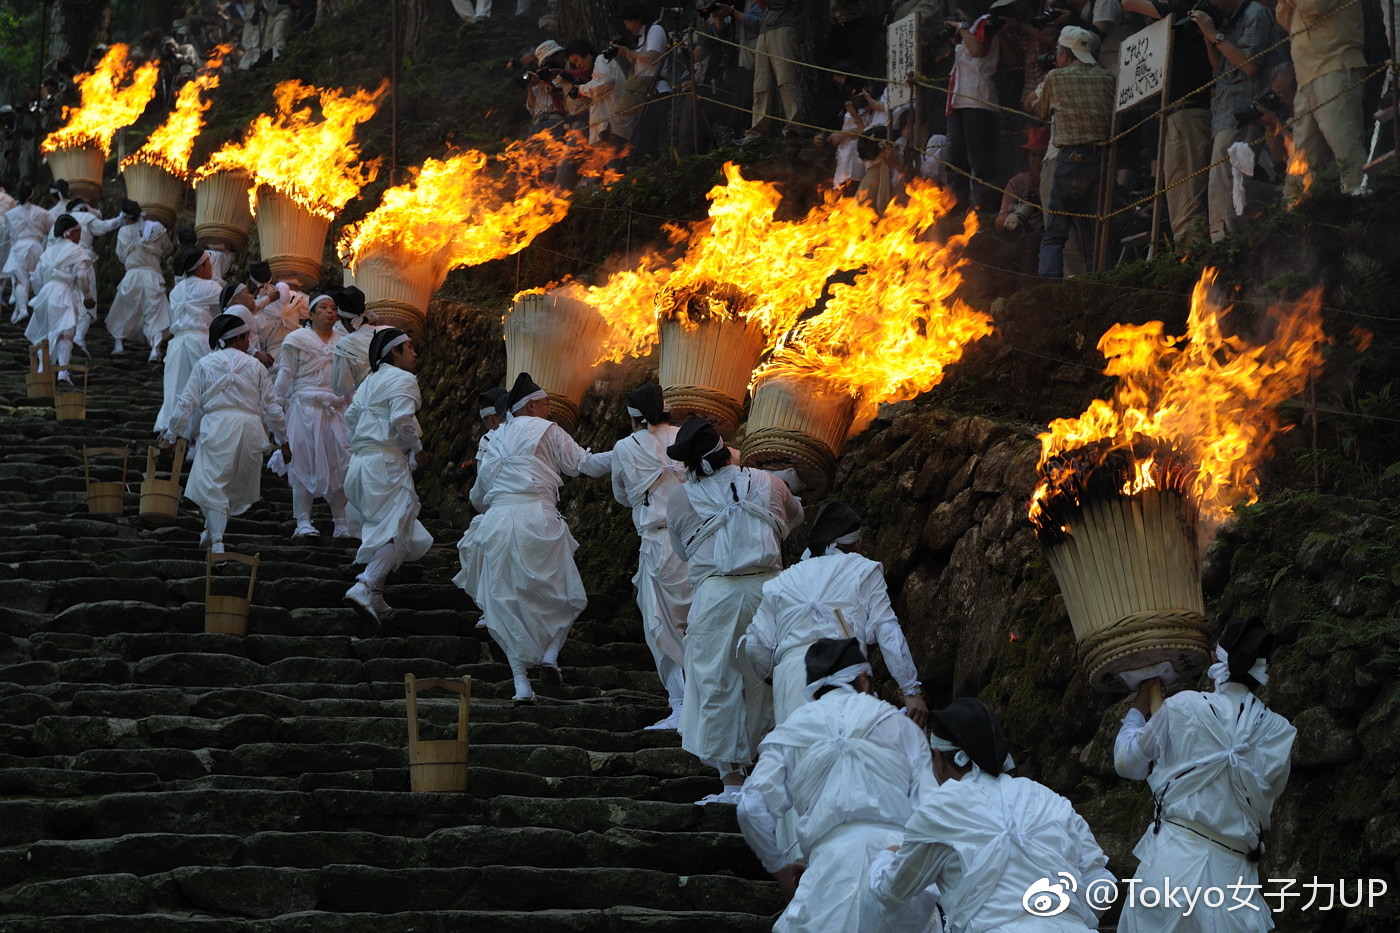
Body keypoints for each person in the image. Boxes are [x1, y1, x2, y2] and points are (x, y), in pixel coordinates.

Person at [737, 637, 939, 933]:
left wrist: (779, 868)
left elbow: (750, 807)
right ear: (862, 679)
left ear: (813, 688)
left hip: (830, 869)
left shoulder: (791, 732)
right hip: (898, 865)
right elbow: (932, 807)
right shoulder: (902, 727)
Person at [1114, 616, 1296, 932]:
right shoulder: (1280, 733)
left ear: (1215, 658)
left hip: (1171, 867)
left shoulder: (1182, 707)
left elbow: (1127, 764)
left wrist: (1139, 708)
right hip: (1233, 882)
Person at [870, 698, 1115, 932]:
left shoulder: (940, 811)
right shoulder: (1050, 799)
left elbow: (892, 891)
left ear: (938, 759)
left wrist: (885, 858)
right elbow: (1101, 883)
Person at [666, 415, 803, 803]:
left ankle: (731, 780)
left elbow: (680, 550)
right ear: (728, 450)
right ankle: (770, 769)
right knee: (772, 681)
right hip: (771, 593)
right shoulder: (769, 482)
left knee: (716, 683)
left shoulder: (680, 498)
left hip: (717, 598)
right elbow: (793, 518)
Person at [453, 373, 614, 703]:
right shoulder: (548, 431)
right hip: (537, 519)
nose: (549, 411)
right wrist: (629, 451)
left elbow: (478, 497)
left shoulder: (492, 440)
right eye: (545, 404)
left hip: (497, 523)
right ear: (531, 406)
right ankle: (551, 656)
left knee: (505, 602)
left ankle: (521, 684)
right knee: (564, 594)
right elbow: (584, 464)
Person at [746, 499, 927, 729]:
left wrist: (777, 676)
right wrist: (910, 690)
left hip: (790, 681)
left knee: (803, 761)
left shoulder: (783, 580)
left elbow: (754, 647)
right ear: (857, 543)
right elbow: (887, 630)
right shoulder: (863, 569)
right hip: (845, 674)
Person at [164, 313, 287, 555]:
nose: (249, 343)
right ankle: (211, 532)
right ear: (239, 339)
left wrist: (171, 436)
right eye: (247, 337)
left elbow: (186, 403)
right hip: (250, 429)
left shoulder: (205, 364)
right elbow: (273, 408)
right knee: (229, 486)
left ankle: (218, 543)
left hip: (219, 426)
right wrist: (284, 441)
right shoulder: (256, 366)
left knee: (212, 484)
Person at [610, 381, 691, 730]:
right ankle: (705, 699)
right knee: (698, 623)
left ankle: (681, 703)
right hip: (697, 544)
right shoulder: (688, 436)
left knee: (660, 623)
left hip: (659, 543)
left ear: (633, 419)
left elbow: (622, 495)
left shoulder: (625, 447)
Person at [343, 328, 433, 623]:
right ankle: (365, 584)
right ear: (395, 351)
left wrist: (364, 443)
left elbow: (351, 418)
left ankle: (377, 596)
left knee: (385, 529)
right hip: (385, 466)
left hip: (360, 465)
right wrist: (416, 448)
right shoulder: (403, 379)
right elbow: (401, 418)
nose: (414, 352)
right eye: (409, 347)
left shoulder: (369, 382)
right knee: (399, 529)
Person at [1122, 0, 1214, 246]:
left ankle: (1197, 253)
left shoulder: (1188, 8)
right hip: (1174, 114)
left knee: (1189, 192)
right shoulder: (1169, 20)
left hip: (1189, 112)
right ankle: (1188, 251)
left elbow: (1129, 2)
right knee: (1178, 193)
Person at [1030, 26, 1115, 278]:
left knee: (1056, 232)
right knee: (1095, 230)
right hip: (1100, 159)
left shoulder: (1055, 77)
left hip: (1069, 159)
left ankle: (1049, 287)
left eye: (1058, 52)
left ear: (1066, 54)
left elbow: (1041, 112)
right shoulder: (1107, 78)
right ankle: (1101, 284)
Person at [1196, 0, 1284, 241]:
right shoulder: (1230, 22)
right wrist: (1210, 41)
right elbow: (1222, 70)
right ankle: (1225, 242)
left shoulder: (1255, 13)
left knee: (1229, 182)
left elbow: (1250, 65)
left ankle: (1227, 244)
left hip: (1244, 111)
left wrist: (1215, 35)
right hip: (1225, 112)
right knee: (1223, 182)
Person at [274, 293, 353, 537]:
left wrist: (354, 413)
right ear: (311, 313)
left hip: (336, 410)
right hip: (304, 408)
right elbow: (285, 376)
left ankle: (341, 521)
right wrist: (275, 413)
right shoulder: (296, 339)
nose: (330, 312)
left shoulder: (344, 342)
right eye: (323, 307)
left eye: (333, 308)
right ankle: (303, 521)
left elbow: (349, 383)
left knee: (339, 464)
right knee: (302, 462)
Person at [1274, 0, 1367, 196]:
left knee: (1344, 143)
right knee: (1303, 154)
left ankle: (1359, 199)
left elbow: (1313, 6)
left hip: (1334, 66)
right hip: (1306, 75)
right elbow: (1284, 18)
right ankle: (1295, 215)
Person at [155, 250, 223, 437]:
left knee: (175, 388)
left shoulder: (176, 290)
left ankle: (172, 430)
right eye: (208, 264)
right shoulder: (212, 287)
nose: (211, 267)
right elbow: (221, 313)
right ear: (201, 268)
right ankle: (195, 436)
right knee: (203, 388)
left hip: (177, 343)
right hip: (200, 340)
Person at [943, 8, 1004, 212]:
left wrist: (961, 29)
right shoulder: (969, 29)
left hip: (977, 98)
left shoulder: (985, 21)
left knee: (978, 159)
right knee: (956, 158)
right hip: (959, 99)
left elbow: (978, 51)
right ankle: (957, 206)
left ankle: (983, 208)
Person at [23, 214, 94, 384]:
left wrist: (42, 292)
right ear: (69, 233)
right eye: (78, 232)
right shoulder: (76, 251)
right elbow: (82, 276)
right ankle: (63, 372)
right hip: (63, 293)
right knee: (65, 333)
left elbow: (36, 277)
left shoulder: (49, 251)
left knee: (45, 332)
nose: (79, 236)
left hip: (47, 293)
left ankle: (42, 368)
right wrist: (88, 296)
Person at [105, 201, 172, 358]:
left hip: (132, 276)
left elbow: (121, 255)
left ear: (127, 218)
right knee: (154, 312)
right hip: (153, 276)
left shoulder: (123, 232)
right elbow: (168, 249)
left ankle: (119, 345)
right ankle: (155, 349)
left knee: (123, 309)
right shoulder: (158, 229)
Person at [558, 40, 632, 153]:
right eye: (574, 63)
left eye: (577, 60)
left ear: (585, 52)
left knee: (613, 164)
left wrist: (581, 89)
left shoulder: (602, 60)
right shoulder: (596, 66)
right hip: (607, 122)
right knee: (607, 163)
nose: (577, 65)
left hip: (611, 121)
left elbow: (604, 83)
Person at [744, 0, 802, 142]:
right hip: (765, 29)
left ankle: (794, 127)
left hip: (784, 25)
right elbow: (762, 7)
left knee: (785, 78)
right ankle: (757, 132)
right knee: (761, 82)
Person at [3, 182, 52, 324]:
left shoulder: (10, 214)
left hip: (19, 247)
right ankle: (35, 311)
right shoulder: (43, 212)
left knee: (21, 280)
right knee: (37, 279)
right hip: (37, 246)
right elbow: (53, 228)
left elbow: (7, 232)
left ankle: (22, 309)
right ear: (32, 196)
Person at [328, 285, 382, 399]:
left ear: (345, 322)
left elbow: (340, 387)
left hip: (370, 401)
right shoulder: (389, 332)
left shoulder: (345, 345)